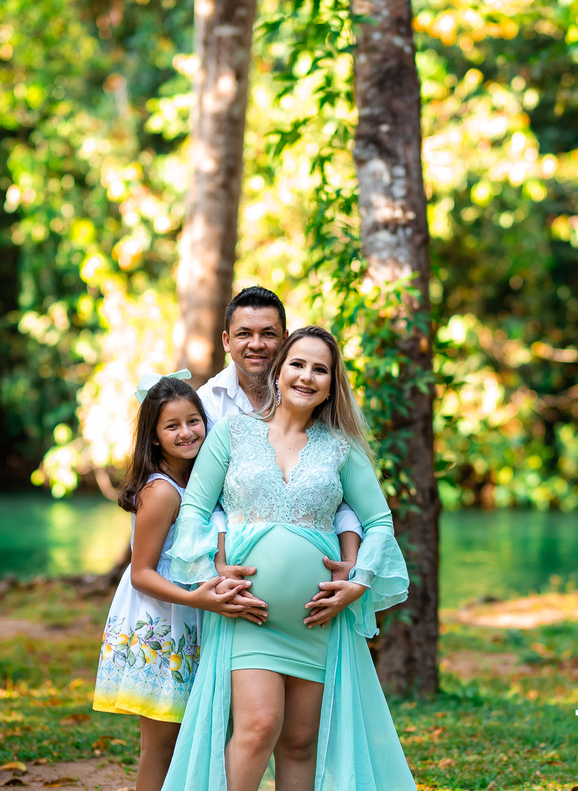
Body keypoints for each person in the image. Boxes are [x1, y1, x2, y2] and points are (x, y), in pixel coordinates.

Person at [163, 327, 416, 791]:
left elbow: (380, 521)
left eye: (321, 369)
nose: (307, 376)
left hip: (317, 622)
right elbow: (195, 509)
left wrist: (358, 583)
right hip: (247, 614)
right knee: (258, 728)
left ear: (331, 385)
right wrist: (211, 574)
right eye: (298, 364)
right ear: (278, 371)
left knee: (300, 743)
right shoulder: (233, 434)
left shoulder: (341, 448)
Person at [93, 372, 267, 791]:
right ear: (154, 437)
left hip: (193, 615)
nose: (187, 433)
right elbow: (141, 574)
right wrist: (199, 600)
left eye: (193, 421)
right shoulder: (162, 491)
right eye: (172, 426)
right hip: (163, 620)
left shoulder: (198, 480)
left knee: (193, 738)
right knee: (161, 744)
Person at [197, 287, 364, 607]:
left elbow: (337, 494)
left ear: (285, 339)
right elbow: (202, 501)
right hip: (229, 589)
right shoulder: (206, 408)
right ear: (226, 341)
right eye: (244, 334)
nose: (256, 344)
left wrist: (353, 563)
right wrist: (216, 567)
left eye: (268, 334)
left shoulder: (310, 398)